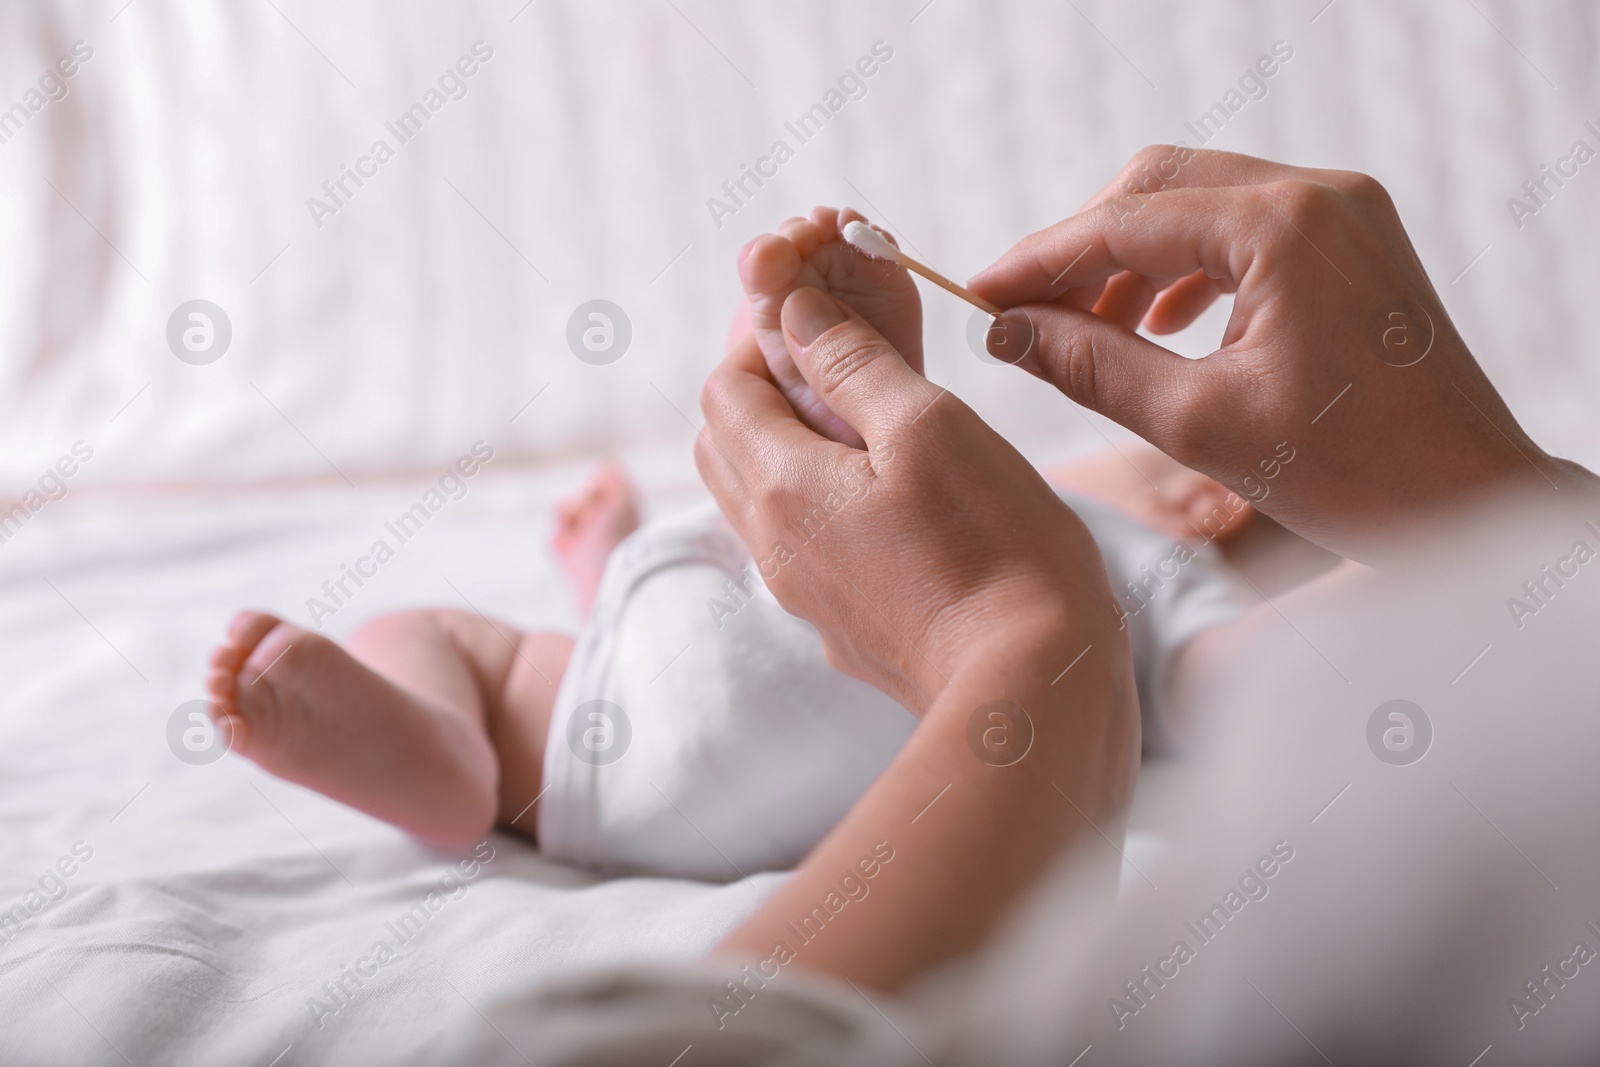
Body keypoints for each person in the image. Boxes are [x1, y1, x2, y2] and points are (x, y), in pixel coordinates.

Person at [435, 147, 1600, 1064]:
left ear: (1207, 497)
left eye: (1091, 477)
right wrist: (1505, 503)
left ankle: (456, 720)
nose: (1054, 490)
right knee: (554, 649)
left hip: (749, 720)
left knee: (462, 656)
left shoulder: (1164, 572)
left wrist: (1011, 635)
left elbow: (1256, 664)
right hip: (672, 665)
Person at [198, 207, 1254, 882]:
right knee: (688, 594)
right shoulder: (1121, 599)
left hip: (629, 745)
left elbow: (1251, 668)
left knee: (440, 632)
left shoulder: (1146, 550)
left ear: (1210, 501)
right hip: (756, 761)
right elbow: (1236, 683)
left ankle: (442, 741)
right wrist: (608, 563)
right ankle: (807, 413)